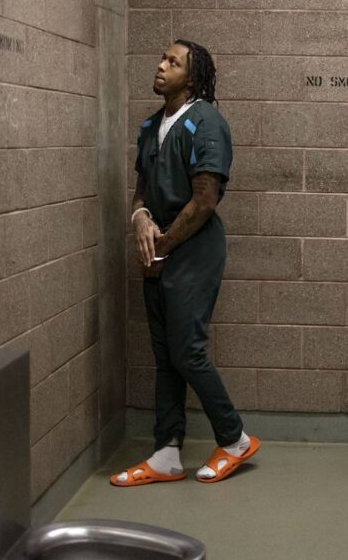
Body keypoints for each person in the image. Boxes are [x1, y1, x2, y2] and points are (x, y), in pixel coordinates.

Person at [111, 40, 259, 486]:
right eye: (161, 58)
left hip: (192, 248)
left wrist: (162, 247)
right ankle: (166, 453)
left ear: (191, 78)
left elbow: (205, 200)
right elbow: (141, 191)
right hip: (159, 247)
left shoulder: (206, 123)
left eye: (172, 62)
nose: (160, 65)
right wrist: (139, 219)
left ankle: (234, 439)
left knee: (187, 352)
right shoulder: (152, 125)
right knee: (164, 356)